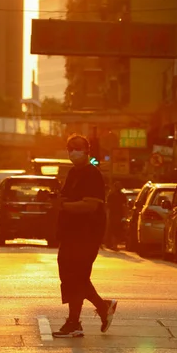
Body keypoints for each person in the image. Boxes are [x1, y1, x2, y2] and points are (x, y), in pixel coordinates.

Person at [52, 133, 117, 338]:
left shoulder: (92, 174)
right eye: (70, 148)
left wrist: (64, 206)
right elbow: (64, 197)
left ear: (87, 150)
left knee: (77, 277)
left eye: (77, 147)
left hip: (86, 235)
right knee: (70, 276)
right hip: (70, 234)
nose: (73, 152)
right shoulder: (73, 173)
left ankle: (74, 322)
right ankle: (100, 307)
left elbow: (89, 206)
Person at [106, 181, 127, 251]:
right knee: (113, 229)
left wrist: (124, 216)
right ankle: (113, 244)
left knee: (116, 230)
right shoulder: (111, 195)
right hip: (114, 215)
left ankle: (114, 245)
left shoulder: (121, 196)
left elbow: (124, 206)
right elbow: (108, 205)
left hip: (118, 215)